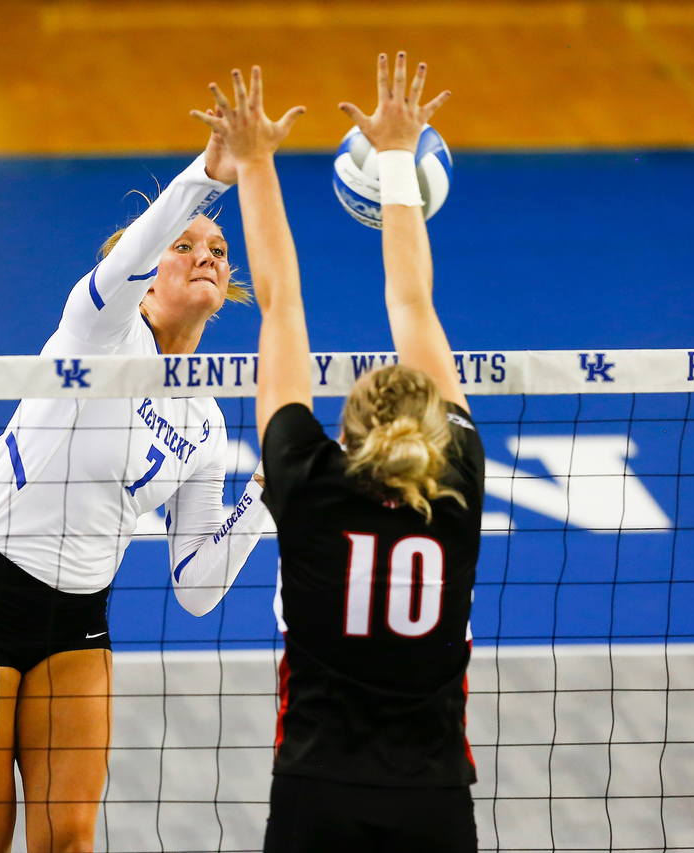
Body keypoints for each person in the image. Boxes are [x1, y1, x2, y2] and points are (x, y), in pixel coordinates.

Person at [0, 82, 302, 853]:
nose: (204, 255)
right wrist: (211, 174)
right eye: (183, 246)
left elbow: (195, 585)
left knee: (69, 839)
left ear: (226, 290)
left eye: (217, 251)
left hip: (77, 616)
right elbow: (125, 261)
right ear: (147, 278)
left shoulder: (206, 417)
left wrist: (264, 494)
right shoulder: (99, 333)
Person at [206, 56, 480, 851]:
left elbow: (279, 302)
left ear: (345, 432)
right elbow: (412, 301)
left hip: (316, 792)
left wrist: (256, 164)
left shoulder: (307, 483)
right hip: (432, 798)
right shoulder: (456, 482)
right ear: (433, 427)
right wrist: (400, 155)